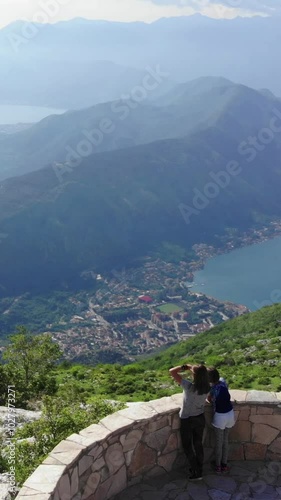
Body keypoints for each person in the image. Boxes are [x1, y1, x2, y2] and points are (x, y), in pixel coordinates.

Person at [169, 362, 210, 480]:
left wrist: (185, 367)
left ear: (194, 376)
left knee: (187, 446)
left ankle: (196, 471)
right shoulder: (207, 388)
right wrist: (194, 369)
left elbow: (172, 371)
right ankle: (200, 468)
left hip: (187, 419)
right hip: (200, 417)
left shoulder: (189, 387)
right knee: (198, 444)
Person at [207, 367, 235, 474]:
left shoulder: (212, 389)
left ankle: (218, 466)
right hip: (230, 414)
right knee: (226, 441)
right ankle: (224, 464)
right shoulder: (223, 382)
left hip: (220, 417)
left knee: (219, 442)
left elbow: (209, 400)